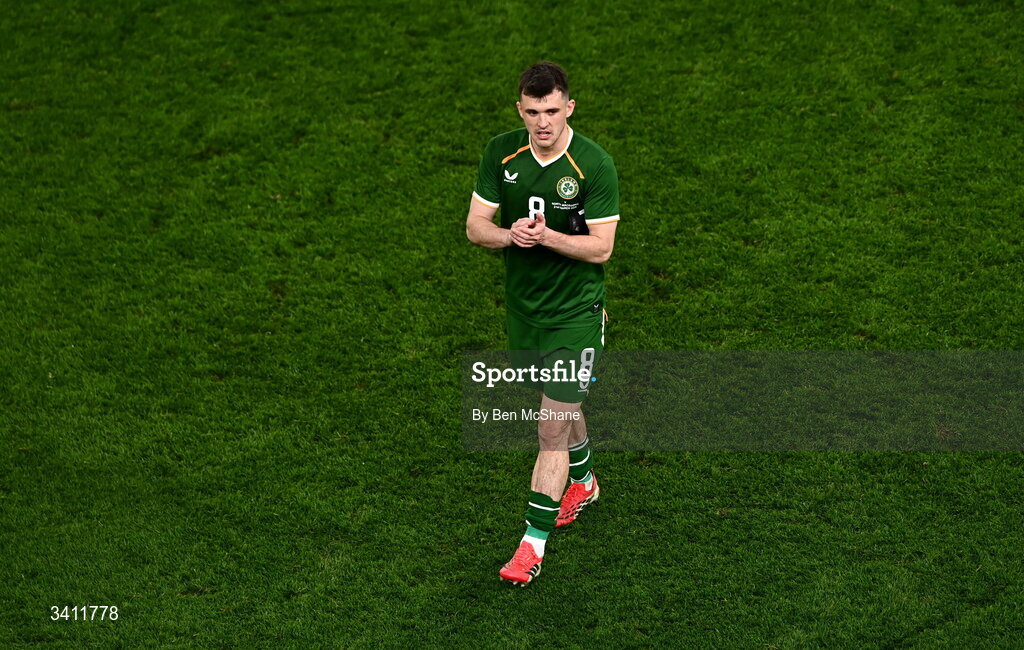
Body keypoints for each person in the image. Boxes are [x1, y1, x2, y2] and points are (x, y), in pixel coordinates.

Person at [466, 61, 620, 586]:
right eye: (532, 112)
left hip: (575, 315)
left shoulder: (593, 165)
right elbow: (475, 227)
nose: (542, 123)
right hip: (524, 312)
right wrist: (513, 236)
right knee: (559, 405)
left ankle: (532, 545)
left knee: (550, 425)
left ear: (569, 106)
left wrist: (547, 236)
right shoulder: (501, 153)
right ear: (520, 110)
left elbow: (602, 247)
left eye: (552, 111)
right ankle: (586, 480)